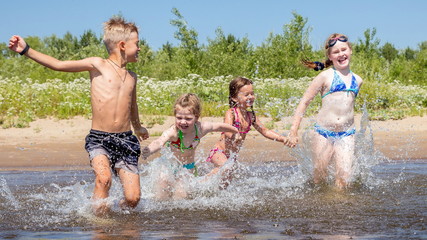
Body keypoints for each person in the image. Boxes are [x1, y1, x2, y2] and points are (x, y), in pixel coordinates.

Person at [8, 16, 149, 215]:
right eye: (138, 44)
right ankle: (99, 224)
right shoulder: (97, 64)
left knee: (133, 198)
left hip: (126, 140)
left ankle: (117, 218)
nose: (140, 48)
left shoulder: (132, 76)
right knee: (104, 179)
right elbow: (58, 64)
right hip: (99, 139)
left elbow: (132, 106)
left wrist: (139, 127)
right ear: (123, 45)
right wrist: (26, 50)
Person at [286, 33, 363, 189]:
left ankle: (339, 210)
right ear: (330, 56)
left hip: (347, 134)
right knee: (319, 179)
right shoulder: (325, 76)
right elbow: (304, 102)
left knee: (344, 179)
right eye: (336, 52)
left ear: (350, 50)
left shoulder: (358, 80)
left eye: (344, 50)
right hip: (323, 132)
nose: (341, 54)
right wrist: (293, 131)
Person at [141, 93, 238, 199]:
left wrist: (235, 131)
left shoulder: (201, 128)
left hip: (187, 168)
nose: (183, 122)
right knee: (161, 194)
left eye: (188, 118)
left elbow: (218, 126)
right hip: (168, 166)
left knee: (180, 196)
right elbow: (159, 141)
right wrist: (149, 149)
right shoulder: (173, 132)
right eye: (179, 118)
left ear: (196, 117)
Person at [206, 77, 290, 189]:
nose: (250, 97)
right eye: (246, 95)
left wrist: (283, 139)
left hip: (231, 157)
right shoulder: (231, 113)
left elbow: (265, 131)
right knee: (225, 168)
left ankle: (213, 196)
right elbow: (227, 130)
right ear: (235, 98)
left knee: (225, 183)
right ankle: (200, 183)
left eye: (252, 94)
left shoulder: (251, 116)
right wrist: (234, 134)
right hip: (219, 152)